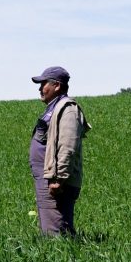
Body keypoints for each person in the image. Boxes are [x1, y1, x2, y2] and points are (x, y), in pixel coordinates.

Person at [29, 66, 90, 235]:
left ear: (56, 86)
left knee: (55, 232)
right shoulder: (54, 107)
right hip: (48, 177)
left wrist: (59, 179)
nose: (40, 88)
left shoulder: (68, 109)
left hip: (55, 180)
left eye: (43, 84)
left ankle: (64, 259)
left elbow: (67, 145)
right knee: (54, 227)